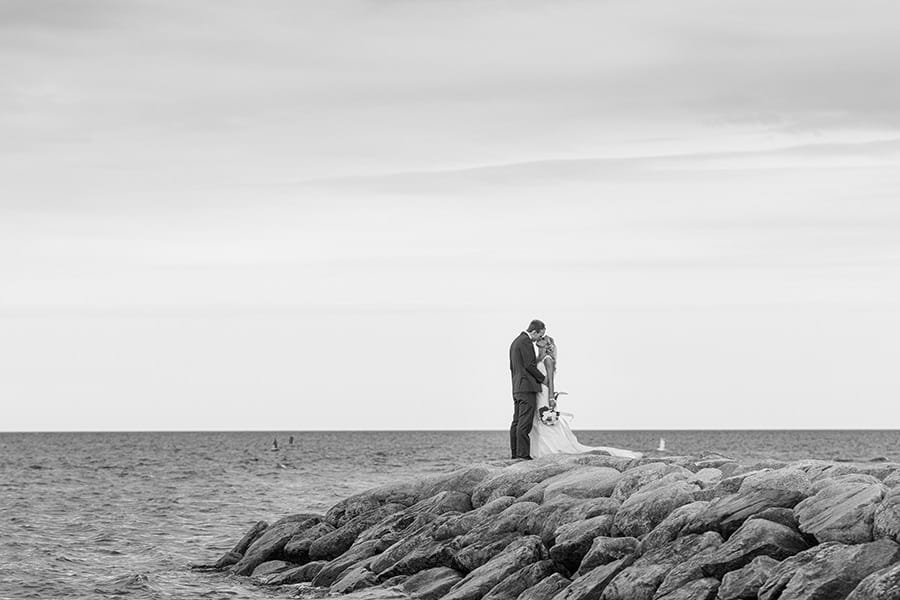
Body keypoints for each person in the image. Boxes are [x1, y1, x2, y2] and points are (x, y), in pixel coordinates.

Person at [529, 335, 642, 459]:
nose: (539, 339)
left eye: (543, 339)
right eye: (540, 338)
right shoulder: (538, 358)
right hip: (538, 393)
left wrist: (551, 397)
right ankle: (539, 449)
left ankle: (550, 449)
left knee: (545, 419)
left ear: (547, 345)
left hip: (545, 393)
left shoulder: (547, 359)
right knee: (538, 420)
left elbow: (551, 380)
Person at [509, 319, 547, 459]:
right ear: (534, 331)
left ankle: (515, 454)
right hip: (526, 388)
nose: (539, 338)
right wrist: (544, 379)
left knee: (517, 422)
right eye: (540, 335)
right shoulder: (525, 342)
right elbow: (529, 366)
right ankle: (523, 455)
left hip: (517, 387)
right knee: (524, 423)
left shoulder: (515, 342)